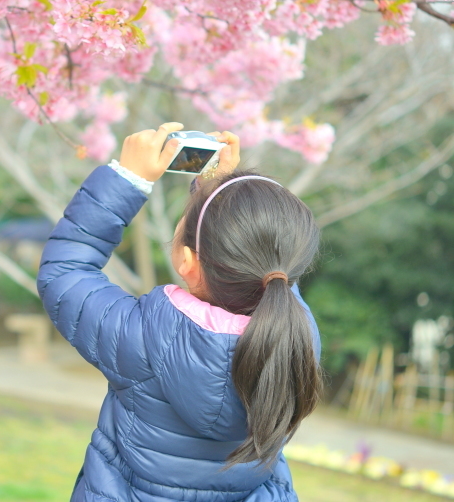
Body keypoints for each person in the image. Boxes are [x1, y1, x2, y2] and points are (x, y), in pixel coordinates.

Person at [38, 122, 322, 502]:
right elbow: (271, 262)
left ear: (187, 261)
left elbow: (64, 273)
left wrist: (127, 180)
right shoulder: (298, 337)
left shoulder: (143, 337)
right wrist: (216, 191)